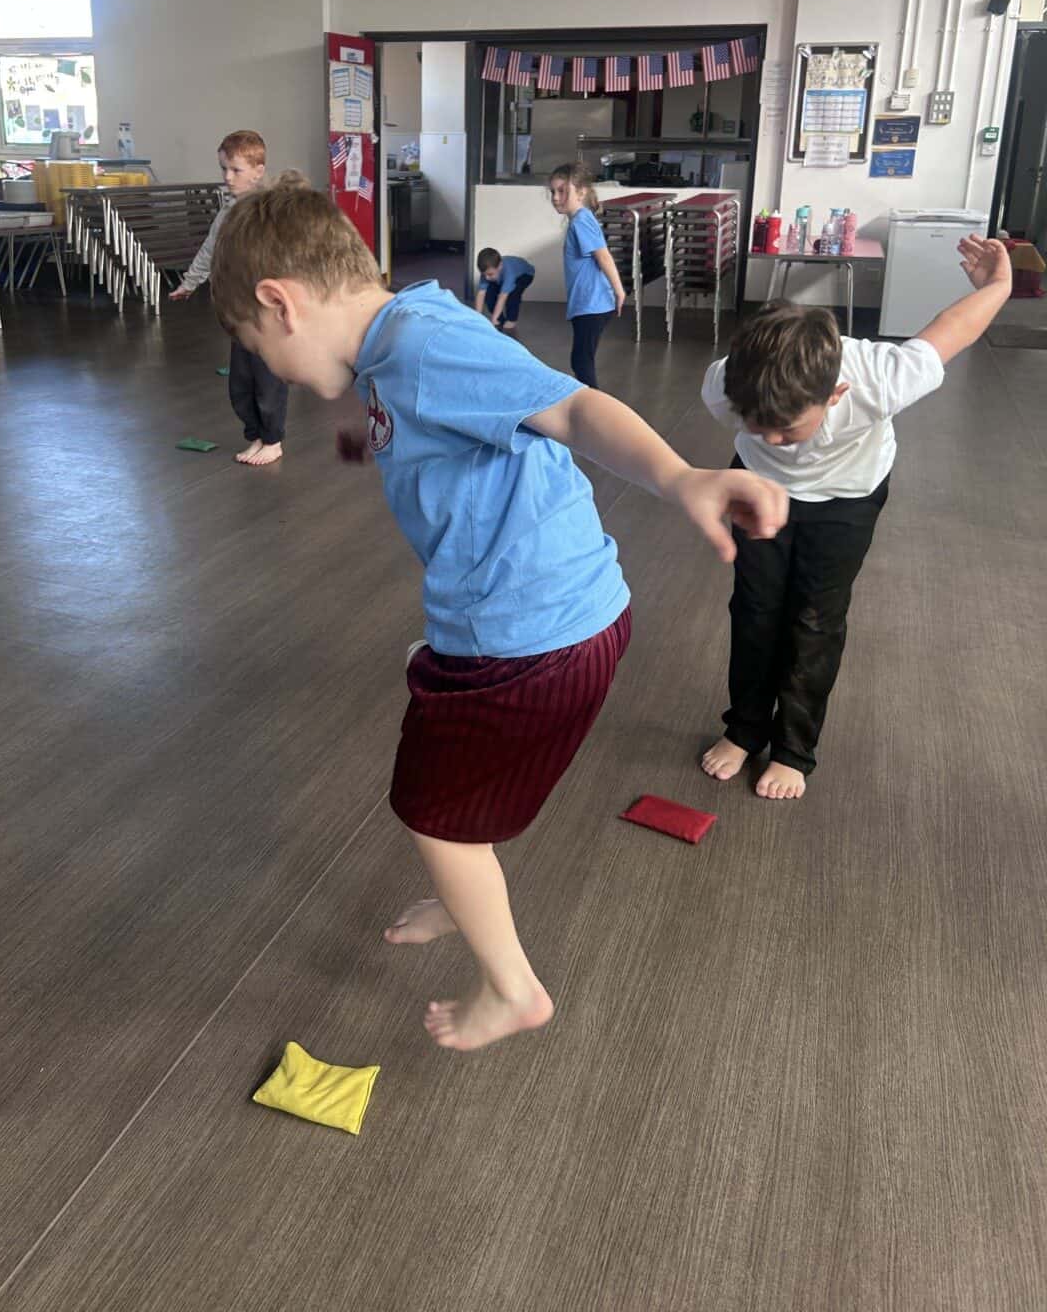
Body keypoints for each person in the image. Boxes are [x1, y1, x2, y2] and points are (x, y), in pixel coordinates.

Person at [210, 177, 787, 1052]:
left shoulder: (425, 345)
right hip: (559, 620)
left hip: (524, 636)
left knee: (431, 812)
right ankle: (462, 895)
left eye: (258, 347)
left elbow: (570, 407)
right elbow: (438, 420)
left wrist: (679, 477)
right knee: (463, 785)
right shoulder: (396, 338)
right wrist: (370, 441)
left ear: (280, 304)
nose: (272, 371)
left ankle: (512, 988)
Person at [700, 233, 1012, 801]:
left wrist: (999, 284)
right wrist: (755, 452)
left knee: (815, 618)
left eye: (787, 429)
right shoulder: (724, 385)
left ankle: (793, 749)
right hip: (759, 487)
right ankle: (744, 728)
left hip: (848, 497)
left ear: (836, 393)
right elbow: (754, 434)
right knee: (754, 608)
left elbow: (952, 329)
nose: (775, 440)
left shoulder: (878, 377)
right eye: (758, 425)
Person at [169, 129, 288, 467]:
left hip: (267, 311)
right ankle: (256, 435)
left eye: (236, 170)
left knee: (267, 377)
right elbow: (210, 249)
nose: (227, 177)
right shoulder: (226, 212)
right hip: (238, 311)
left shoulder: (270, 212)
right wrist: (190, 282)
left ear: (258, 170)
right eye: (224, 169)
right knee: (241, 381)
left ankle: (273, 440)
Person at [550, 163, 625, 390]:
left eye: (562, 191)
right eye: (553, 191)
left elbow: (603, 256)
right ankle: (592, 402)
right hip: (588, 303)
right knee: (581, 360)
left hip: (592, 304)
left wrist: (619, 291)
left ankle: (595, 405)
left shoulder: (581, 220)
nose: (555, 197)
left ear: (581, 192)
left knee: (581, 362)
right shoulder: (580, 219)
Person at [474, 248, 535, 332]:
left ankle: (511, 320)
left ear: (500, 266)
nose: (486, 278)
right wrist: (478, 318)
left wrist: (493, 319)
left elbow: (502, 297)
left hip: (524, 275)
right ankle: (499, 319)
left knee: (512, 294)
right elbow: (481, 293)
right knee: (489, 294)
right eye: (484, 275)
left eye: (490, 274)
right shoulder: (487, 272)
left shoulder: (509, 272)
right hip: (502, 275)